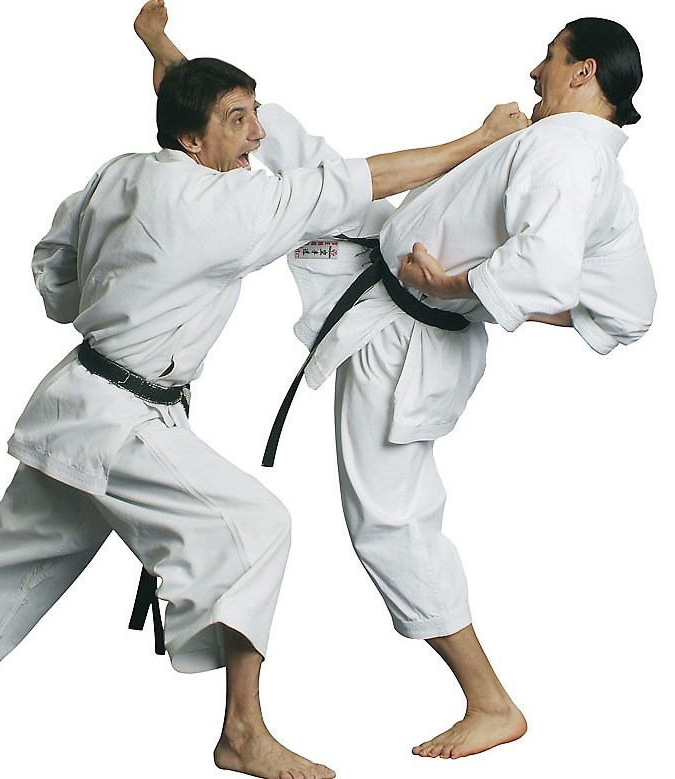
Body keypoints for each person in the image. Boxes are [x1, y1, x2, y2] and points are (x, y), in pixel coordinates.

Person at [0, 3, 527, 778]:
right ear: (194, 141)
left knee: (16, 541)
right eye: (240, 122)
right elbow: (359, 180)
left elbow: (57, 253)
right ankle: (243, 732)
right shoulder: (223, 209)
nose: (258, 136)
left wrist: (156, 45)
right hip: (123, 421)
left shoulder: (124, 171)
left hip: (78, 394)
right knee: (257, 527)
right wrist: (481, 139)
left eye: (255, 114)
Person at [265, 16, 654, 761]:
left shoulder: (567, 152)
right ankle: (192, 85)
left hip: (407, 344)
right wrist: (479, 281)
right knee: (312, 164)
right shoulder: (578, 152)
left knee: (389, 522)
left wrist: (457, 287)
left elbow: (552, 277)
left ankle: (490, 701)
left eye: (550, 58)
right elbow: (629, 308)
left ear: (585, 71)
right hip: (383, 280)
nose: (535, 71)